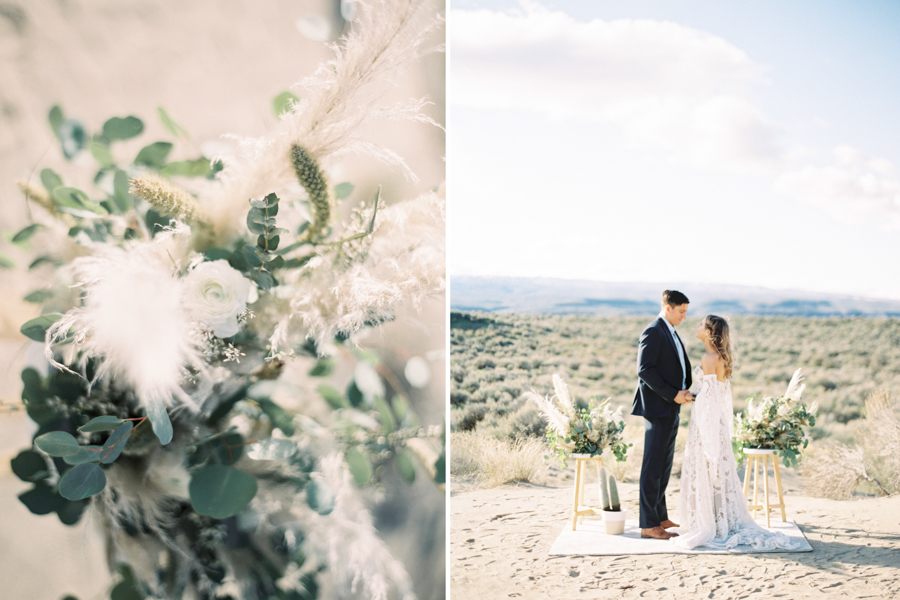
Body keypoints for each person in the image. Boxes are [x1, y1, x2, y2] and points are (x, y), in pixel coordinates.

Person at [671, 315, 801, 550]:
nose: (697, 326)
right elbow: (714, 394)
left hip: (706, 422)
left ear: (710, 332)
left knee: (707, 469)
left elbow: (709, 398)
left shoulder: (709, 358)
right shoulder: (719, 358)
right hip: (714, 420)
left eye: (701, 324)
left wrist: (694, 406)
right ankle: (719, 519)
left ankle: (708, 522)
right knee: (716, 473)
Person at [632, 290, 694, 540]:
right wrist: (672, 394)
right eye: (681, 311)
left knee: (664, 465)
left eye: (686, 312)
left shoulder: (670, 331)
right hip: (658, 408)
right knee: (651, 467)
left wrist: (685, 392)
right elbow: (644, 370)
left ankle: (659, 516)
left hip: (672, 406)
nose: (684, 317)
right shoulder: (653, 331)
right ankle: (648, 524)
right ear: (668, 308)